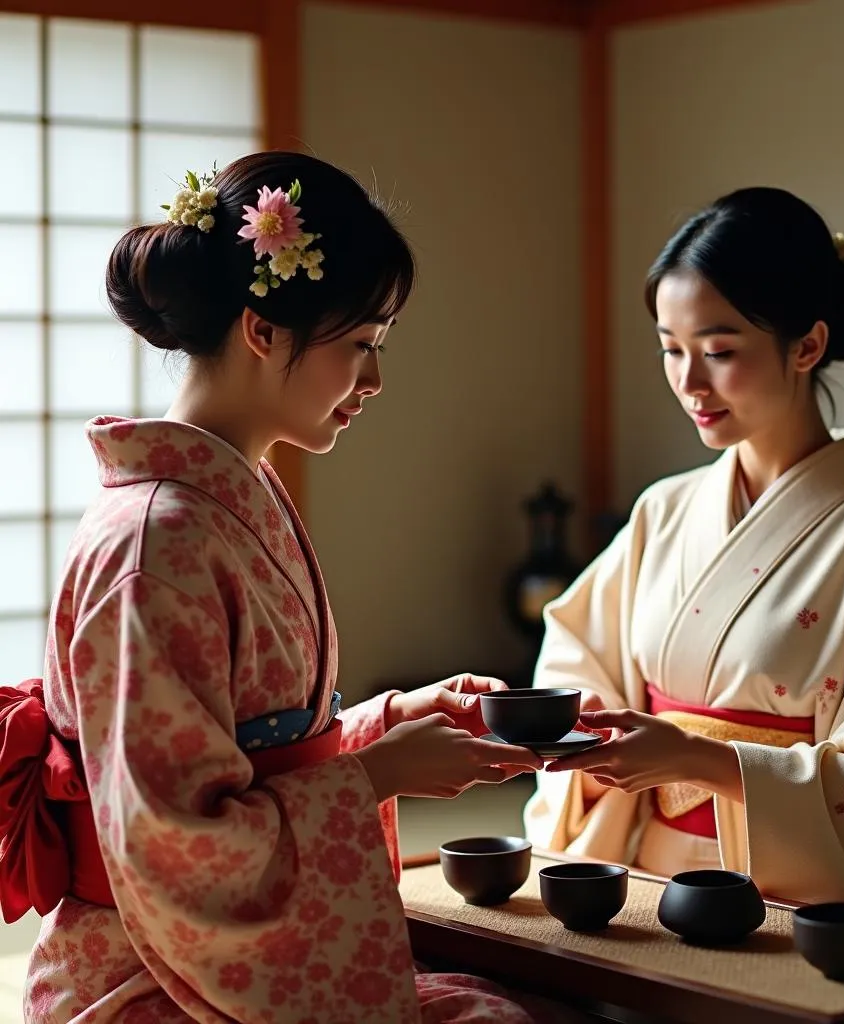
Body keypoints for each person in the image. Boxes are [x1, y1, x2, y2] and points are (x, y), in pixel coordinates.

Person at [2, 152, 579, 1023]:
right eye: (360, 346)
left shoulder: (231, 499)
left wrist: (391, 726)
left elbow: (257, 754)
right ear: (263, 330)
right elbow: (174, 841)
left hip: (200, 965)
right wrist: (378, 774)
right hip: (146, 977)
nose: (375, 381)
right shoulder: (154, 545)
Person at [523, 186, 844, 931]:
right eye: (671, 350)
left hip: (794, 909)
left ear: (806, 346)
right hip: (645, 886)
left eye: (719, 351)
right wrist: (599, 740)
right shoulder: (664, 512)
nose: (689, 383)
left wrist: (700, 762)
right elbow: (577, 656)